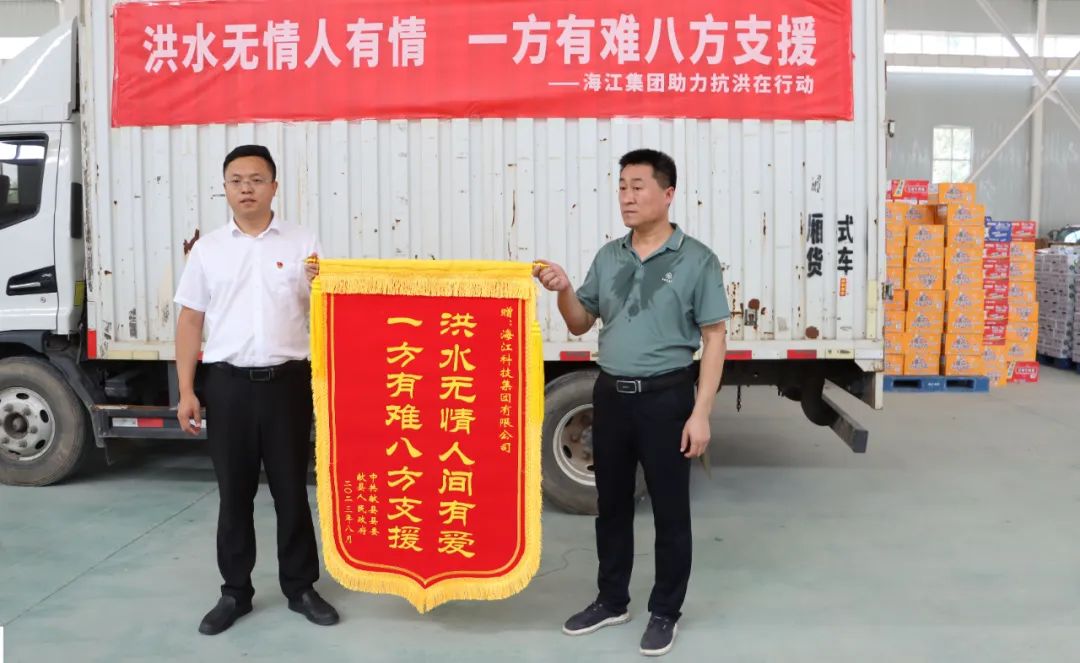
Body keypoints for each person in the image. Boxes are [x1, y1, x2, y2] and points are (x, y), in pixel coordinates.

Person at [534, 149, 730, 657]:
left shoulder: (696, 259)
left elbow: (714, 337)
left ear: (668, 193)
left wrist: (701, 413)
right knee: (612, 507)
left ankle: (665, 611)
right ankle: (611, 600)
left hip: (667, 399)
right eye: (622, 186)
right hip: (611, 397)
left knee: (670, 513)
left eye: (638, 186)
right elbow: (580, 322)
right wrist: (563, 289)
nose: (627, 196)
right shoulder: (609, 257)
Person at [174, 145, 338, 635]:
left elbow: (328, 309)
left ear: (274, 187)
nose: (246, 188)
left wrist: (323, 282)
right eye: (236, 180)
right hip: (227, 386)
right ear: (225, 188)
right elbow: (190, 320)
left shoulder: (303, 243)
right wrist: (187, 390)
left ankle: (301, 587)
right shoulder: (208, 250)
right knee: (234, 494)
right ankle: (235, 592)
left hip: (287, 385)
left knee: (291, 491)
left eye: (256, 179)